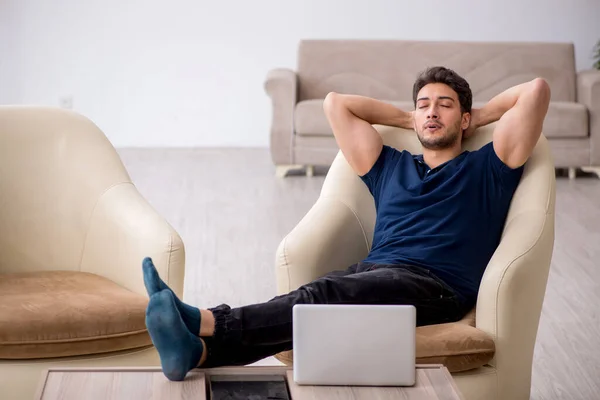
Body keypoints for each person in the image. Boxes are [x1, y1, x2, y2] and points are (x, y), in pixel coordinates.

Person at [141, 66, 551, 381]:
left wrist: (479, 116)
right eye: (423, 104)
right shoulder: (390, 165)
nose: (431, 112)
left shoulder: (487, 167)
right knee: (316, 306)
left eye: (445, 105)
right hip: (377, 273)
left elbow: (535, 91)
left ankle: (200, 319)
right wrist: (405, 117)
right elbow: (336, 103)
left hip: (438, 286)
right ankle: (198, 354)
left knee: (323, 293)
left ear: (464, 119)